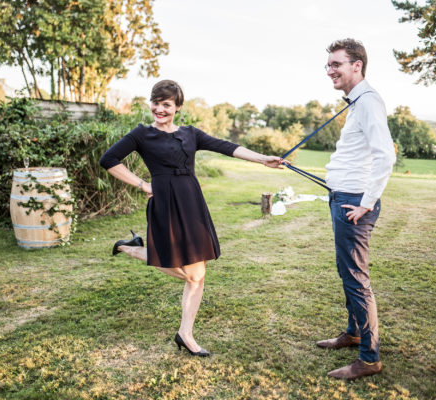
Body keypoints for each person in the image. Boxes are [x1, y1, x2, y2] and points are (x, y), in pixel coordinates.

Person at [99, 79, 283, 357]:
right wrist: (142, 184)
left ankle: (185, 333)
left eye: (166, 105)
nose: (159, 110)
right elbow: (108, 160)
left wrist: (262, 159)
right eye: (156, 104)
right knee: (191, 273)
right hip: (165, 203)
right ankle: (132, 248)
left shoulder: (190, 134)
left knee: (198, 274)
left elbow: (227, 147)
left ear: (178, 107)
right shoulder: (141, 134)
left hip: (192, 202)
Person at [315, 39, 396, 379]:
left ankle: (369, 358)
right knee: (346, 272)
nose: (330, 70)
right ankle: (354, 332)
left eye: (337, 64)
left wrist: (365, 203)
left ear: (357, 65)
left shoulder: (368, 102)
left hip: (354, 202)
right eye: (328, 65)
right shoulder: (358, 102)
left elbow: (386, 155)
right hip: (343, 196)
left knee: (356, 279)